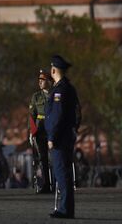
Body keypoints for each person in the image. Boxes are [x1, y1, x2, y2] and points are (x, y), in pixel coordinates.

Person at [45, 55, 79, 219]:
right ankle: (65, 207)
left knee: (61, 173)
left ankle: (65, 209)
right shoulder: (68, 88)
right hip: (66, 136)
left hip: (60, 138)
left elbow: (57, 116)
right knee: (63, 173)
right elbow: (77, 113)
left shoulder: (60, 90)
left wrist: (52, 137)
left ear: (53, 70)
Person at [29, 69, 53, 193]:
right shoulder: (36, 96)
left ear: (49, 81)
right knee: (42, 158)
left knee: (54, 158)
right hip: (40, 129)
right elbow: (32, 115)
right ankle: (46, 185)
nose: (40, 82)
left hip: (52, 128)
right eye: (39, 80)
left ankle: (55, 184)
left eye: (42, 80)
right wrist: (31, 132)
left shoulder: (55, 94)